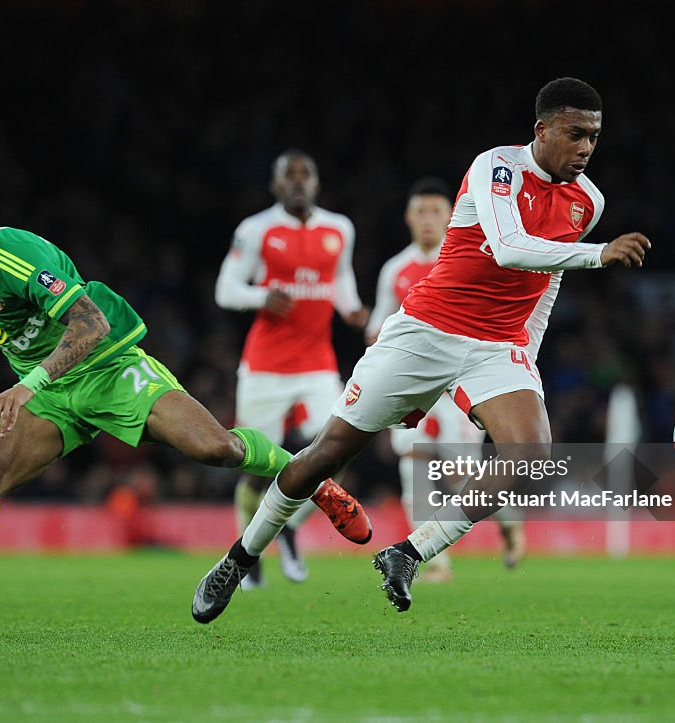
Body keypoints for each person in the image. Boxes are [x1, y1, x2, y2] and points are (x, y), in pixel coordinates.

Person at [193, 77, 651, 623]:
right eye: (574, 134)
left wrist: (526, 349)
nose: (585, 148)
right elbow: (507, 249)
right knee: (328, 454)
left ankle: (409, 555)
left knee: (530, 455)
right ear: (542, 129)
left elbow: (547, 281)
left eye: (594, 138)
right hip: (426, 331)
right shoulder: (496, 168)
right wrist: (599, 255)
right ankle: (239, 558)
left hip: (497, 345)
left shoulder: (588, 201)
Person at [0, 194, 371, 638]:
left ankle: (316, 483)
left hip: (106, 364)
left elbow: (90, 322)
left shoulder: (13, 255)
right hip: (52, 394)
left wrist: (25, 385)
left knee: (219, 449)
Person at [214, 150, 370, 589]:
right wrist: (261, 297)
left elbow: (339, 280)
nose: (299, 182)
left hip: (317, 363)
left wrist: (352, 309)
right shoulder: (256, 230)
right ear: (275, 186)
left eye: (307, 175)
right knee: (253, 463)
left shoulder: (339, 228)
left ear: (317, 184)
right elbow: (226, 289)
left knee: (335, 450)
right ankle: (249, 549)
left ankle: (288, 525)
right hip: (265, 365)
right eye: (290, 176)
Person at [365, 177, 526, 581]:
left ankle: (509, 524)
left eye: (436, 211)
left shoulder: (464, 260)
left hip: (458, 386)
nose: (428, 220)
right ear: (408, 217)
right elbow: (377, 330)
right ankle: (434, 563)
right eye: (420, 212)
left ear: (451, 216)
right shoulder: (395, 270)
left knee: (463, 479)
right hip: (416, 385)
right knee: (413, 467)